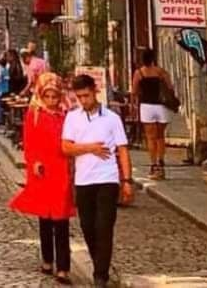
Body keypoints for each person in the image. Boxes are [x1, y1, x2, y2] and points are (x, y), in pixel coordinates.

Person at [62, 73, 133, 288]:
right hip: (84, 181)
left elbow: (122, 149)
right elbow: (66, 147)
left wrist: (127, 180)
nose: (83, 100)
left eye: (86, 95)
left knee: (104, 227)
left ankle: (100, 274)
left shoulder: (112, 118)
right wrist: (90, 147)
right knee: (88, 226)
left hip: (107, 179)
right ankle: (98, 262)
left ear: (94, 91)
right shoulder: (73, 118)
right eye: (79, 97)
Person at [9, 72, 74, 285]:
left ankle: (63, 267)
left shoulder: (66, 115)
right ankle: (47, 259)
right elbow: (30, 141)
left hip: (62, 168)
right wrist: (34, 161)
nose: (52, 101)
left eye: (55, 97)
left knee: (61, 218)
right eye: (48, 97)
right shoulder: (34, 114)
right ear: (42, 96)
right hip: (43, 169)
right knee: (45, 217)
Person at [131, 47, 176, 180]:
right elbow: (170, 87)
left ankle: (153, 164)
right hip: (161, 106)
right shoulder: (160, 72)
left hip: (146, 106)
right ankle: (161, 162)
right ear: (153, 58)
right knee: (160, 136)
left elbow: (134, 91)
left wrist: (135, 103)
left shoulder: (139, 73)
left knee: (150, 137)